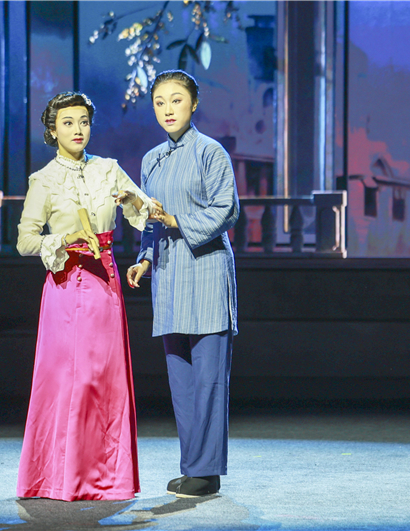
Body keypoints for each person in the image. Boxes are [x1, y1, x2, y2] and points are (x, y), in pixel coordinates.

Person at [16, 91, 151, 502]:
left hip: (104, 284)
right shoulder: (43, 180)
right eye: (68, 122)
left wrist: (134, 199)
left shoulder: (108, 169)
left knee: (104, 381)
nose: (77, 130)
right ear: (52, 130)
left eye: (84, 122)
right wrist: (65, 238)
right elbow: (25, 240)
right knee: (64, 380)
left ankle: (106, 479)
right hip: (65, 284)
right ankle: (59, 478)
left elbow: (145, 211)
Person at [126, 70, 239, 498]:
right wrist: (144, 258)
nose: (167, 109)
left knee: (208, 378)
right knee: (181, 378)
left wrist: (175, 220)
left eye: (176, 100)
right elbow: (148, 220)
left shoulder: (211, 152)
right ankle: (194, 467)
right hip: (170, 273)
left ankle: (207, 472)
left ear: (193, 104)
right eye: (159, 102)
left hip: (205, 269)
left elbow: (226, 210)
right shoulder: (151, 159)